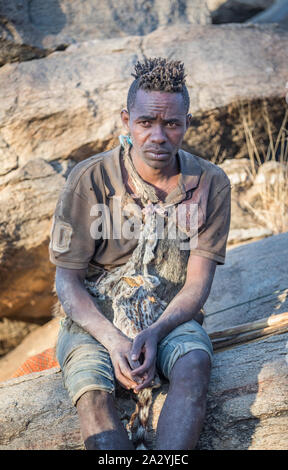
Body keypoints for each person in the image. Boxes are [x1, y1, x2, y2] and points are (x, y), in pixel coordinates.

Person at [49, 57, 231, 450]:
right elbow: (67, 280)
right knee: (93, 394)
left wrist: (156, 331)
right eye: (146, 122)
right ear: (126, 120)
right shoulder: (90, 179)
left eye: (171, 123)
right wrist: (113, 341)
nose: (158, 136)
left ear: (187, 123)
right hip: (94, 318)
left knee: (195, 364)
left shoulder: (210, 184)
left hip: (168, 314)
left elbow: (197, 284)